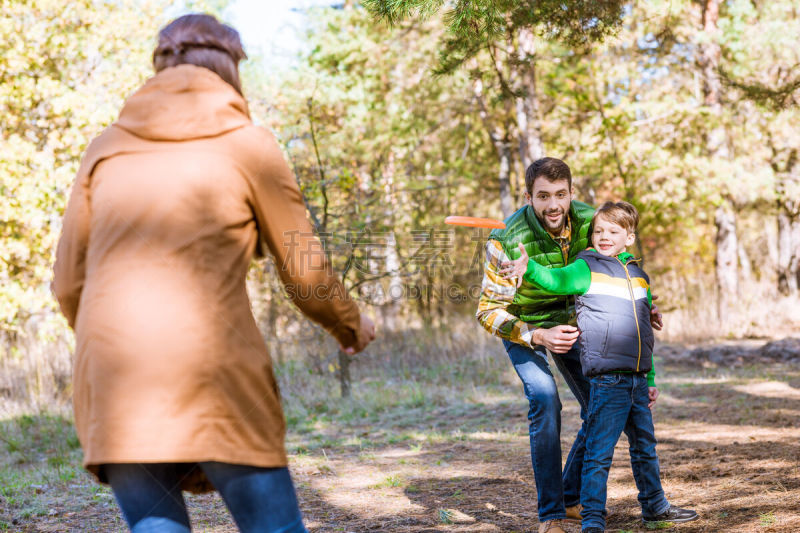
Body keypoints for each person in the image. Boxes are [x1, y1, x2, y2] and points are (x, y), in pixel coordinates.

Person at [52, 14, 375, 533]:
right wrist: (350, 324)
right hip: (215, 376)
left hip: (115, 381)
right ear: (230, 69)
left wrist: (112, 341)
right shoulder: (249, 145)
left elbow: (68, 282)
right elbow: (305, 271)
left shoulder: (104, 148)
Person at [476, 158, 662, 533]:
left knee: (601, 402)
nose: (553, 205)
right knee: (545, 399)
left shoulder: (592, 223)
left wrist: (641, 302)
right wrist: (536, 335)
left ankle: (571, 496)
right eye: (543, 196)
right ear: (528, 197)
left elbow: (618, 262)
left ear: (571, 193)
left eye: (560, 194)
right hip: (525, 325)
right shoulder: (505, 240)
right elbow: (487, 311)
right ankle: (552, 515)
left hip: (578, 324)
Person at [503, 201, 697, 532]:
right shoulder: (586, 268)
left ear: (630, 237)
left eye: (613, 231)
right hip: (608, 381)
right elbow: (555, 280)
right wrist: (529, 268)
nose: (604, 236)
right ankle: (592, 521)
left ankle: (655, 507)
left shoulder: (639, 277)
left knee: (644, 448)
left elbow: (644, 333)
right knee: (599, 454)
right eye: (598, 231)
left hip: (636, 380)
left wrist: (649, 378)